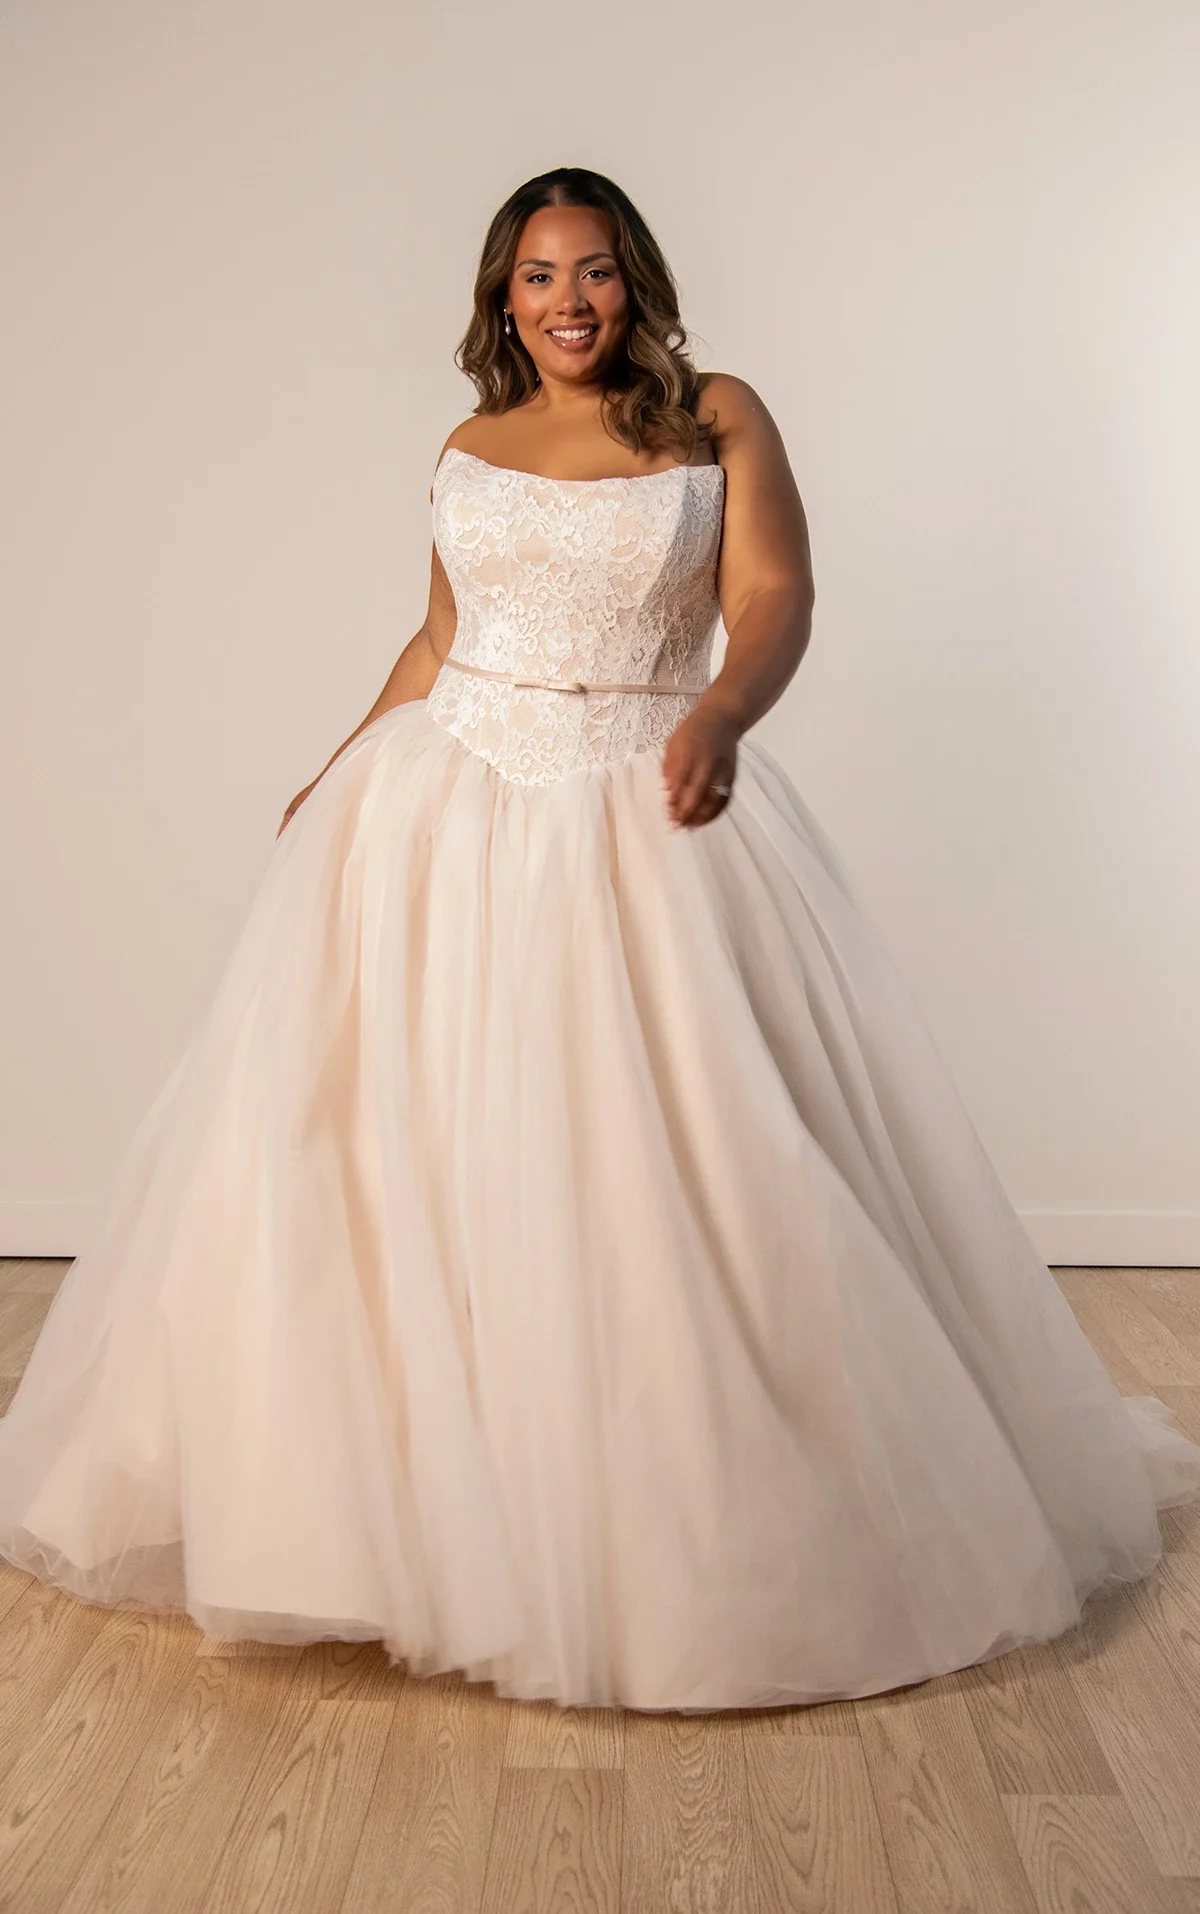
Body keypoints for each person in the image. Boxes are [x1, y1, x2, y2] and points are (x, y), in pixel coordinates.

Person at [1, 166, 1198, 1715]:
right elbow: (443, 639)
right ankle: (420, 1526)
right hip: (443, 814)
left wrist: (723, 715)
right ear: (502, 300)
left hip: (641, 798)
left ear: (637, 281)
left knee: (682, 1167)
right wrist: (336, 764)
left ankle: (690, 1530)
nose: (568, 300)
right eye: (539, 275)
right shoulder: (469, 446)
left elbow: (776, 594)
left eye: (595, 270)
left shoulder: (716, 417)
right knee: (400, 1162)